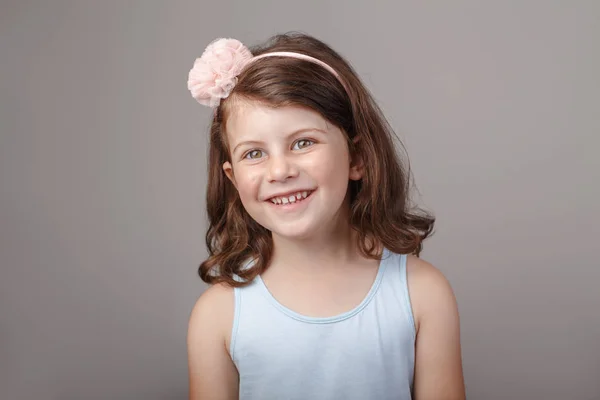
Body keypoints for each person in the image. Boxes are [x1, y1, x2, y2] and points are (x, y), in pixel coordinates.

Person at [186, 32, 465, 400]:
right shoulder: (218, 315)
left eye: (303, 143)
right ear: (233, 177)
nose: (279, 171)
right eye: (254, 153)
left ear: (357, 157)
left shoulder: (423, 294)